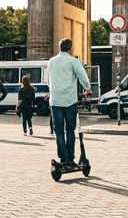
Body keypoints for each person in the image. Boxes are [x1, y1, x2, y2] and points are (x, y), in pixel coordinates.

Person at [47, 38, 92, 166]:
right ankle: (70, 158)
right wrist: (87, 89)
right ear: (70, 48)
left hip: (55, 101)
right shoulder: (73, 61)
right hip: (70, 101)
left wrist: (52, 91)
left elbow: (49, 80)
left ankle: (63, 158)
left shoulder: (51, 62)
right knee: (70, 130)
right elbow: (82, 76)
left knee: (59, 131)